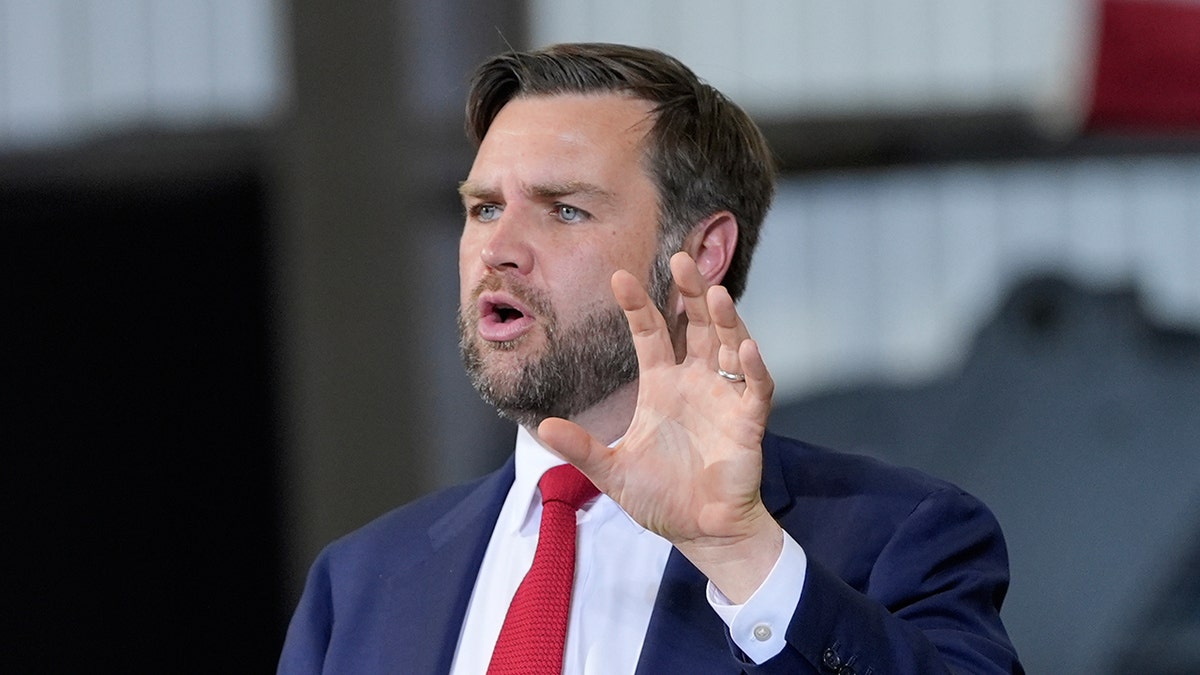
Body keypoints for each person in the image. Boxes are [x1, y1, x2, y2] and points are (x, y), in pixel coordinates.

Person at [278, 43, 1022, 674]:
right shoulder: (360, 585)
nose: (497, 251)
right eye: (484, 208)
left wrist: (743, 555)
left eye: (565, 208)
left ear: (701, 253)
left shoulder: (901, 534)